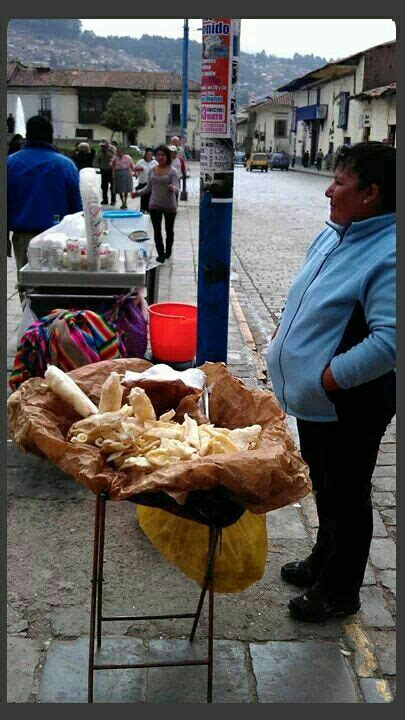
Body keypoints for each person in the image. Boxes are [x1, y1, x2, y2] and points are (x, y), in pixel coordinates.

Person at [267, 142, 396, 622]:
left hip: (351, 402)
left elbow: (390, 340)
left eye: (340, 182)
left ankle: (341, 592)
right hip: (320, 401)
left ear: (371, 194)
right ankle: (324, 558)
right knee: (325, 482)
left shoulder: (389, 251)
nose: (328, 189)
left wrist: (327, 377)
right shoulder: (337, 233)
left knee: (347, 492)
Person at [7, 115, 82, 276]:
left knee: (28, 289)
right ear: (50, 135)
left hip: (23, 238)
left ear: (28, 134)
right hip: (59, 237)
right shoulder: (65, 165)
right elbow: (77, 209)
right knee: (55, 287)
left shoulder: (10, 163)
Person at [132, 145, 179, 263]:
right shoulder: (153, 170)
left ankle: (168, 251)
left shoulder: (172, 171)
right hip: (154, 204)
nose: (160, 157)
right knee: (157, 230)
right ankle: (161, 254)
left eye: (163, 155)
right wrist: (137, 193)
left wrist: (173, 188)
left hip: (169, 205)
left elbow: (178, 188)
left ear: (167, 156)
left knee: (169, 230)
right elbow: (149, 187)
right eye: (158, 155)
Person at [110, 145, 136, 210]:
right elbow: (111, 165)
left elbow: (132, 165)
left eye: (120, 152)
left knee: (126, 189)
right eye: (118, 152)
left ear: (123, 152)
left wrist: (135, 172)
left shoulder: (128, 157)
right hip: (118, 174)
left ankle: (125, 202)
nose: (119, 153)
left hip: (126, 173)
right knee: (119, 189)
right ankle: (122, 202)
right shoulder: (115, 158)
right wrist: (113, 162)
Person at [134, 148, 158, 213]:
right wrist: (138, 171)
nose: (148, 156)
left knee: (150, 196)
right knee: (143, 196)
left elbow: (158, 171)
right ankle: (142, 209)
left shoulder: (155, 162)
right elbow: (135, 170)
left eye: (150, 154)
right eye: (147, 154)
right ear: (145, 155)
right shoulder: (140, 162)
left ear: (152, 155)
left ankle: (148, 209)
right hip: (142, 181)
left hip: (152, 182)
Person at [96, 138, 116, 205]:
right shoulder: (100, 150)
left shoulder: (112, 148)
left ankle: (113, 200)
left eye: (103, 145)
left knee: (112, 185)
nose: (102, 146)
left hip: (111, 169)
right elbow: (98, 158)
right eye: (101, 145)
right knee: (104, 186)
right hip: (103, 169)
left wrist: (107, 152)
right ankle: (105, 200)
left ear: (107, 144)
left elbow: (115, 157)